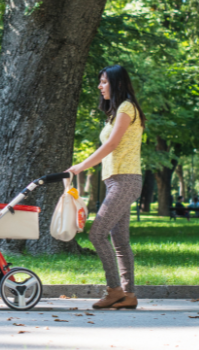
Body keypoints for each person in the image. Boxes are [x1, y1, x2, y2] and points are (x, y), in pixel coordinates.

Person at [65, 65, 145, 310]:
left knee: (97, 233)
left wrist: (80, 166)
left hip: (125, 180)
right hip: (117, 180)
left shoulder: (126, 107)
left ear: (116, 83)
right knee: (119, 239)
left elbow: (111, 145)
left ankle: (114, 290)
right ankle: (129, 295)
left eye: (103, 82)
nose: (100, 86)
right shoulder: (117, 111)